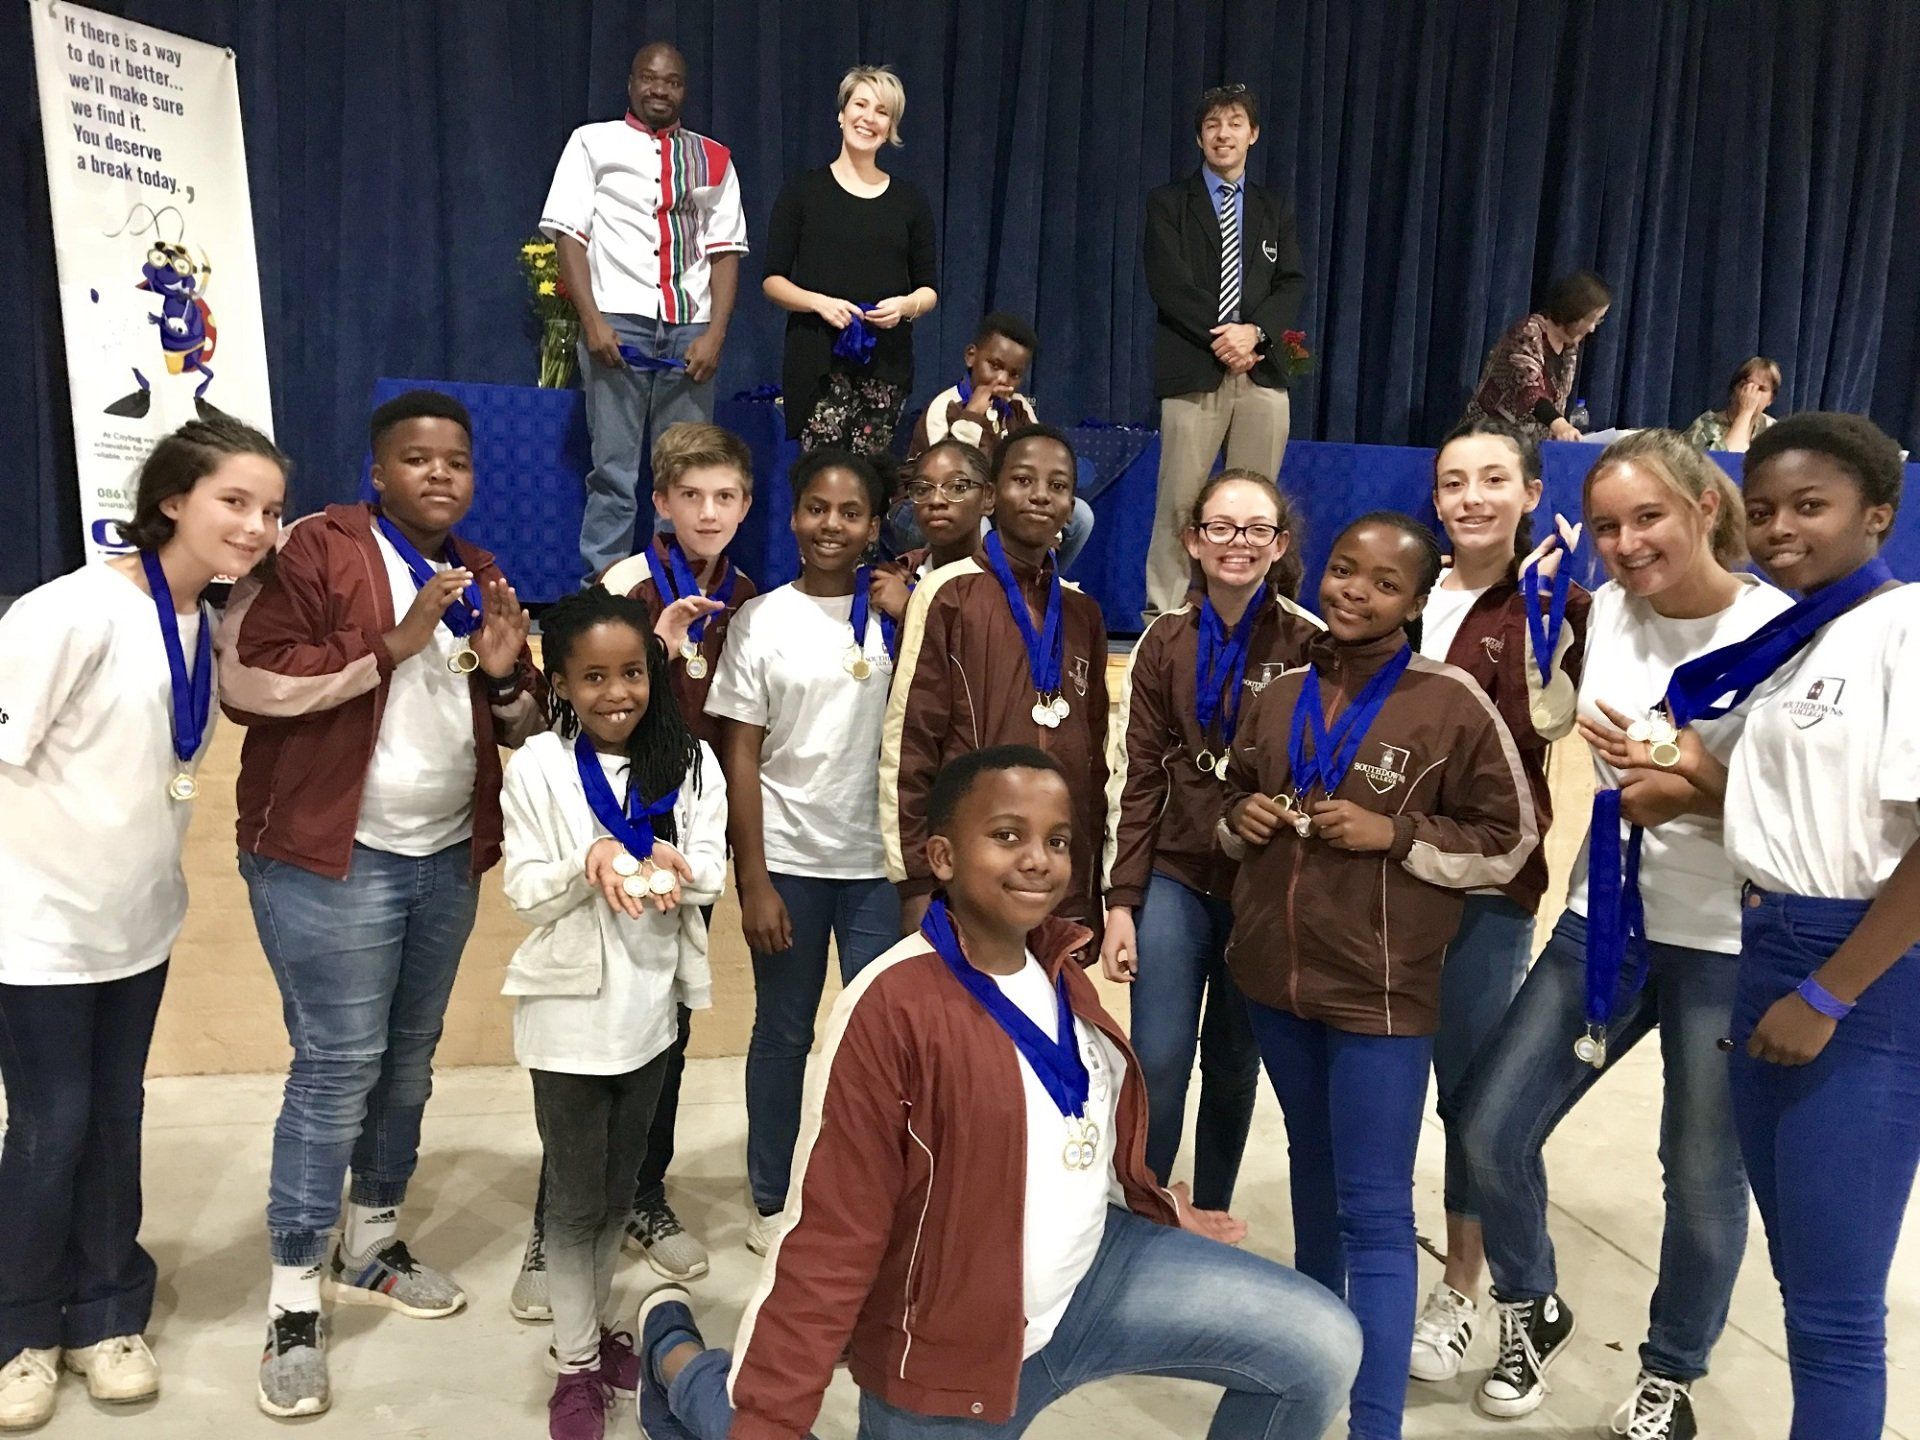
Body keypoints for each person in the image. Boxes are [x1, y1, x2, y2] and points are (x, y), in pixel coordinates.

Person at [627, 746, 1365, 1440]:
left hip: (1091, 1279)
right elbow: (830, 1236)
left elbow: (1075, 1132)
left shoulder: (1060, 967)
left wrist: (1158, 1204)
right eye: (1008, 836)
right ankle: (679, 1359)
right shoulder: (891, 1007)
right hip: (953, 1345)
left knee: (1320, 1345)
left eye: (1057, 841)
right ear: (943, 857)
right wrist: (768, 1416)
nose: (1038, 859)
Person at [1457, 430, 1792, 1439]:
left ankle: (1670, 1374)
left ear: (1705, 507)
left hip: (1728, 938)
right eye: (1607, 526)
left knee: (1700, 1175)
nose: (1628, 542)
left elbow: (1802, 818)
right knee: (1488, 1126)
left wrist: (1690, 784)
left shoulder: (1780, 633)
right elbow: (1561, 719)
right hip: (1606, 916)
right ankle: (1531, 1305)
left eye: (1649, 517)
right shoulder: (1609, 613)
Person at [216, 389, 542, 1419]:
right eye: (417, 457)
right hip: (329, 857)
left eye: (457, 461)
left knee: (408, 1058)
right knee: (337, 1067)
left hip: (442, 856)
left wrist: (505, 681)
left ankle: (373, 1242)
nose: (440, 474)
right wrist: (395, 643)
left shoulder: (481, 569)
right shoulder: (318, 547)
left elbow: (524, 721)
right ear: (378, 471)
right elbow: (251, 681)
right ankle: (292, 1298)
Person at [1590, 414, 1915, 1438]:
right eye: (1765, 509)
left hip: (1854, 962)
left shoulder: (1904, 628)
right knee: (1802, 1280)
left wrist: (1829, 993)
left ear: (1879, 513)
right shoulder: (1800, 637)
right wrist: (1690, 776)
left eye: (1811, 507)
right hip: (1768, 938)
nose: (1780, 530)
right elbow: (1793, 816)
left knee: (1833, 1315)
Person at [1222, 513, 1539, 1440]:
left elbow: (1509, 841)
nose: (1354, 592)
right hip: (1275, 983)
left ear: (1416, 600)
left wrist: (1396, 834)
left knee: (1374, 1209)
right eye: (1343, 570)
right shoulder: (1282, 692)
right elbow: (1235, 795)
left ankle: (1375, 1422)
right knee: (1313, 1180)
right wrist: (1241, 817)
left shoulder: (1449, 702)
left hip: (1381, 997)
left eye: (1384, 583)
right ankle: (1310, 1379)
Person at [0, 419, 286, 1432]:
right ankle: (19, 1331)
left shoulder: (208, 621)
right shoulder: (70, 612)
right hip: (37, 929)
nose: (255, 526)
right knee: (52, 1125)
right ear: (171, 501)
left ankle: (107, 1314)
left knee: (116, 1115)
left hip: (138, 925)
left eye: (269, 509)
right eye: (233, 502)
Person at [518, 422, 755, 1304]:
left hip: (681, 840)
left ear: (745, 506)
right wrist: (654, 643)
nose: (708, 512)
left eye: (724, 497)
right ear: (660, 502)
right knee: (581, 1061)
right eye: (691, 496)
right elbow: (577, 699)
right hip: (599, 836)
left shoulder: (746, 594)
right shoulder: (623, 583)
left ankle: (644, 1195)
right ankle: (554, 1224)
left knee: (665, 1034)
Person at [499, 588, 727, 1440]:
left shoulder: (690, 761)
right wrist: (588, 859)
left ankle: (593, 1334)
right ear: (560, 682)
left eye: (632, 672)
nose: (616, 692)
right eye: (593, 677)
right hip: (566, 1023)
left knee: (618, 1191)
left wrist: (664, 864)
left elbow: (710, 870)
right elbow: (525, 892)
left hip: (649, 1016)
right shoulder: (538, 767)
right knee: (572, 1201)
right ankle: (573, 1367)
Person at [1407, 419, 1593, 1383]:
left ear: (1531, 493)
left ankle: (1466, 1289)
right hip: (1381, 877)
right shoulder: (1404, 588)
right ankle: (1383, 1263)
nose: (1471, 497)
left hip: (1485, 882)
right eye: (1453, 481)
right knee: (1385, 1076)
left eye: (1492, 479)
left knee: (1472, 1096)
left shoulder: (1556, 603)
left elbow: (1553, 721)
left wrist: (1555, 613)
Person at [1100, 470, 1320, 1214]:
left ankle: (1212, 1213)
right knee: (1158, 1056)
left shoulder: (1309, 642)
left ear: (1279, 544)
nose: (1238, 543)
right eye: (1220, 527)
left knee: (1233, 1061)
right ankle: (1147, 1212)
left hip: (1261, 884)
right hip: (1175, 874)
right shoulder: (1163, 641)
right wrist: (1122, 902)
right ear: (1193, 540)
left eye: (1257, 529)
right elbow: (1135, 778)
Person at [705, 448, 904, 1254]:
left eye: (851, 512)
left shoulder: (900, 613)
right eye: (817, 508)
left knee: (877, 1043)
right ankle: (772, 1196)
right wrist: (752, 879)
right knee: (784, 1035)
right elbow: (741, 754)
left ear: (874, 526)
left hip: (878, 868)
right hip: (787, 862)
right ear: (792, 517)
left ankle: (867, 1194)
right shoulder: (761, 619)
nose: (832, 525)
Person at [882, 425, 1109, 939]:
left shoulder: (1083, 612)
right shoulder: (945, 594)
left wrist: (1087, 889)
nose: (1040, 495)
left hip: (1054, 878)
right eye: (1023, 480)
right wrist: (916, 882)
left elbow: (1094, 760)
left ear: (1071, 506)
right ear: (990, 495)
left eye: (1058, 485)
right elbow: (909, 743)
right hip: (969, 872)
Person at [541, 41, 750, 584]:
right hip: (617, 323)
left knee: (688, 474)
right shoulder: (592, 142)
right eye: (650, 78)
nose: (660, 89)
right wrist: (592, 322)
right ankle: (604, 592)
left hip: (691, 329)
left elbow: (726, 251)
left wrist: (715, 335)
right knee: (612, 471)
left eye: (672, 81)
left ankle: (676, 587)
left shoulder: (713, 157)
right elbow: (569, 236)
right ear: (632, 83)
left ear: (685, 90)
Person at [1141, 83, 1306, 622]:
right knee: (1181, 503)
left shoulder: (1273, 208)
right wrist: (1226, 337)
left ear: (1253, 134)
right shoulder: (1169, 203)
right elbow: (1168, 284)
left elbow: (1291, 282)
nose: (1223, 134)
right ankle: (1164, 619)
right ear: (1199, 138)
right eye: (1212, 124)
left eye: (1235, 123)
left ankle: (1247, 618)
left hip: (1262, 371)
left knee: (1255, 507)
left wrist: (1254, 333)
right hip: (1195, 367)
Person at [762, 64, 937, 455]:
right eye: (860, 105)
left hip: (885, 362)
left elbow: (928, 289)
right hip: (817, 360)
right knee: (822, 474)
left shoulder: (910, 202)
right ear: (842, 114)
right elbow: (772, 280)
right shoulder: (802, 192)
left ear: (891, 128)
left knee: (869, 478)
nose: (868, 118)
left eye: (882, 111)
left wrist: (905, 306)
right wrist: (819, 303)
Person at [899, 312, 1095, 572]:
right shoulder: (945, 406)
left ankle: (1035, 580)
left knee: (1081, 517)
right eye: (995, 365)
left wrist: (1050, 529)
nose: (1002, 380)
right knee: (975, 522)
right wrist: (972, 415)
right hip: (925, 506)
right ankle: (976, 588)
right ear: (971, 356)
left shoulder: (1019, 409)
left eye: (1014, 374)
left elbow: (1041, 465)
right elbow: (951, 480)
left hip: (989, 503)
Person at [1462, 270, 1611, 442]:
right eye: (1590, 319)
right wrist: (1560, 425)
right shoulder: (1527, 334)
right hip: (1487, 440)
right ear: (1573, 311)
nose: (1592, 328)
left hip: (1527, 447)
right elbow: (1530, 391)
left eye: (1598, 321)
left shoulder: (1570, 348)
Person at [1681, 356, 1782, 454]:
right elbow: (1726, 461)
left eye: (1761, 389)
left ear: (1771, 399)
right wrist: (1745, 412)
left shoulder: (1772, 429)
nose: (1751, 394)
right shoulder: (1704, 426)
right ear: (1733, 391)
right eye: (1745, 386)